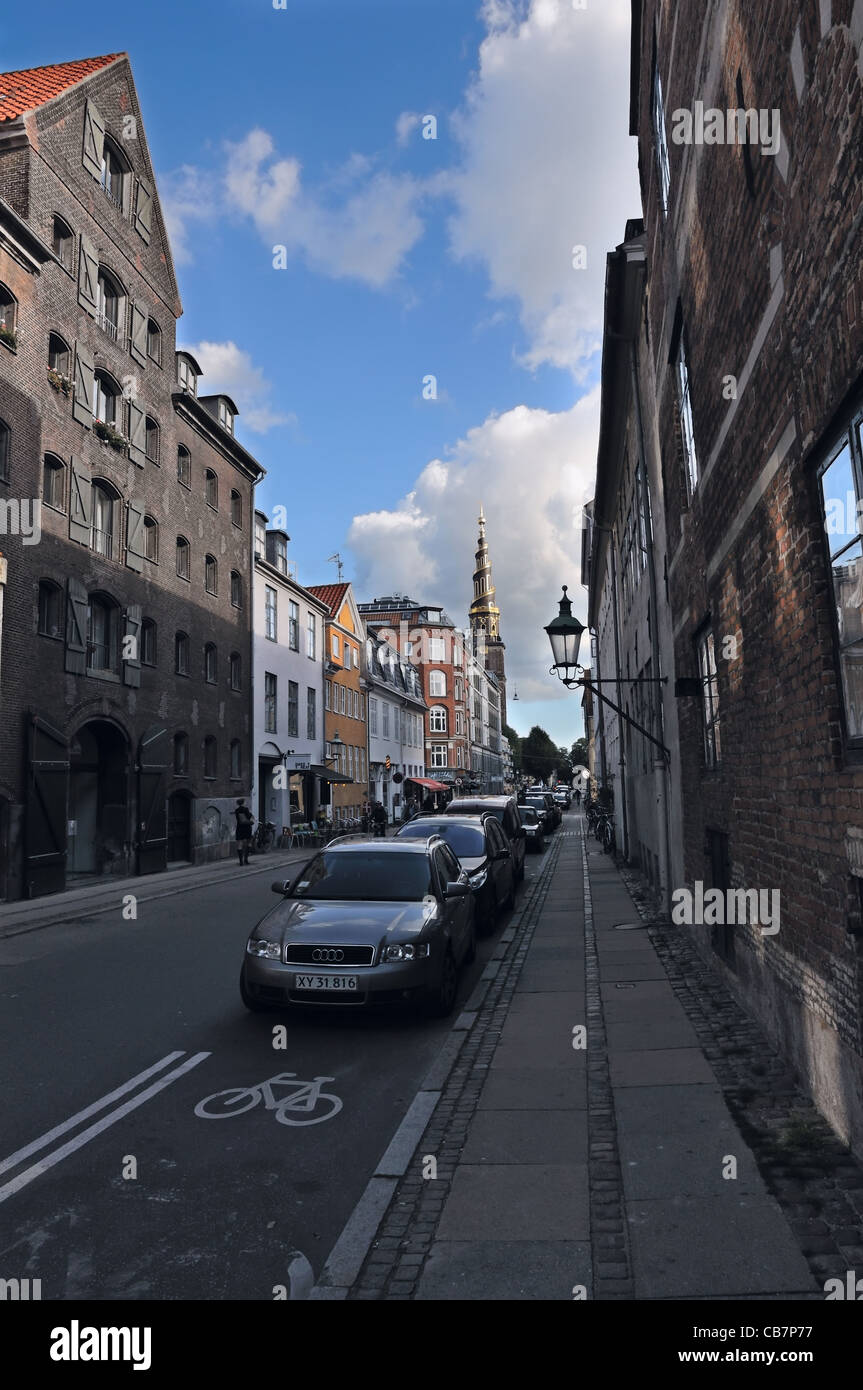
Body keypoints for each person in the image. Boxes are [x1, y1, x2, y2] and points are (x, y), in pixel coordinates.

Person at [233, 798, 253, 865]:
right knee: (249, 843)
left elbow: (237, 819)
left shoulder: (236, 810)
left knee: (240, 844)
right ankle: (246, 860)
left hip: (239, 828)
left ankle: (241, 861)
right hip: (247, 828)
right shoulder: (246, 809)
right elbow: (249, 816)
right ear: (243, 803)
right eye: (245, 802)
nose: (245, 803)